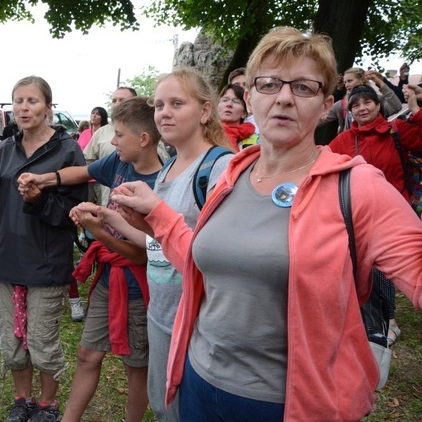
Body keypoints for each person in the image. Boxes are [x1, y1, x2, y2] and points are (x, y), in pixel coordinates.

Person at [110, 26, 422, 420]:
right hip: (199, 383)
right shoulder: (230, 174)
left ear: (326, 105)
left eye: (304, 88)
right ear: (251, 96)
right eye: (270, 83)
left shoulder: (356, 186)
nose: (285, 98)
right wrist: (156, 213)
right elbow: (202, 258)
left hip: (289, 405)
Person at [71, 67, 234, 421]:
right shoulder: (168, 169)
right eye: (160, 105)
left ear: (205, 111)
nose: (165, 112)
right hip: (161, 309)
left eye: (177, 103)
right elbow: (158, 244)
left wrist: (152, 211)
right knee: (163, 406)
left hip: (198, 318)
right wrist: (110, 220)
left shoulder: (221, 168)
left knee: (192, 409)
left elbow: (219, 257)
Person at [19, 96, 163, 422]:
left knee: (136, 364)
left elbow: (143, 255)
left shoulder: (161, 185)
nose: (111, 140)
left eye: (119, 134)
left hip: (139, 286)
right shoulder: (120, 163)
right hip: (108, 279)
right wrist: (43, 179)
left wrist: (100, 231)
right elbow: (82, 173)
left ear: (143, 139)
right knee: (87, 355)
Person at [0, 76, 88, 422]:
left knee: (42, 342)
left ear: (48, 108)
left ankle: (47, 404)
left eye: (32, 101)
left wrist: (39, 199)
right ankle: (22, 400)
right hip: (7, 256)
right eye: (18, 101)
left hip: (45, 259)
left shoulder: (67, 150)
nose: (24, 108)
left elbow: (74, 214)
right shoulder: (5, 148)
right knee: (12, 344)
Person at [328, 83, 422, 345]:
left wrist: (415, 108)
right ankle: (368, 321)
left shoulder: (397, 131)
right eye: (356, 105)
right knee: (362, 268)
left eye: (367, 102)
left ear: (378, 105)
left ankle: (389, 321)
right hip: (357, 215)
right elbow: (321, 159)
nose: (362, 108)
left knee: (386, 269)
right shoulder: (345, 140)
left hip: (395, 212)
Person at [218, 83, 258, 149]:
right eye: (225, 100)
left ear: (244, 113)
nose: (229, 104)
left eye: (236, 101)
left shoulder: (255, 140)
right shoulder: (204, 133)